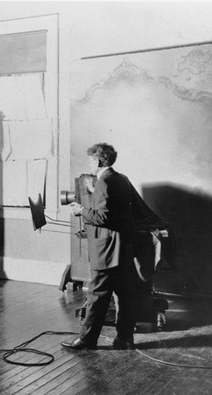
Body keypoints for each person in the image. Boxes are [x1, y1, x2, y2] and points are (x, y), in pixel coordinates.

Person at [61, 143, 137, 350]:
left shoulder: (104, 182)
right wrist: (94, 190)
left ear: (97, 161)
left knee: (97, 295)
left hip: (107, 249)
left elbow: (102, 216)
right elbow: (118, 208)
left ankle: (87, 340)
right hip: (123, 248)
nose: (89, 163)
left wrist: (81, 211)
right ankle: (125, 339)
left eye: (90, 160)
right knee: (124, 295)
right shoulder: (121, 179)